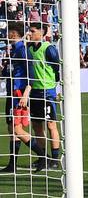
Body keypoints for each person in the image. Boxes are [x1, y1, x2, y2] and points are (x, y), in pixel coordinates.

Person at [1, 23, 45, 172]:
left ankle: (43, 157)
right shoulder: (14, 50)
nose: (6, 34)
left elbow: (30, 72)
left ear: (14, 33)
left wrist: (26, 93)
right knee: (11, 128)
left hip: (19, 93)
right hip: (11, 92)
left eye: (8, 32)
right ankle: (12, 164)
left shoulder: (22, 50)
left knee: (17, 129)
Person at [21, 22, 62, 171]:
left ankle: (55, 159)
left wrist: (55, 87)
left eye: (32, 31)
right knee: (37, 126)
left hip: (47, 92)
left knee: (51, 125)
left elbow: (57, 68)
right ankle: (43, 158)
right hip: (34, 93)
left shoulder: (49, 48)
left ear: (41, 32)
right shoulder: (29, 49)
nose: (30, 33)